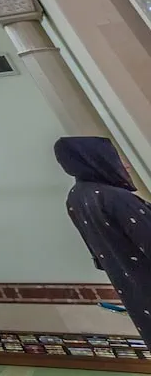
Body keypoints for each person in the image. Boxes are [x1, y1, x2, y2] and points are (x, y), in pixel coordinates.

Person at [55, 136, 151, 342]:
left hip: (137, 293)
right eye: (115, 157)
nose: (125, 164)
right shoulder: (116, 198)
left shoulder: (76, 198)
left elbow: (99, 256)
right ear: (96, 160)